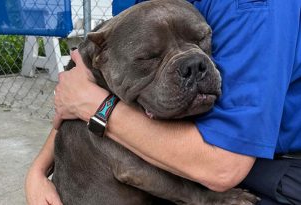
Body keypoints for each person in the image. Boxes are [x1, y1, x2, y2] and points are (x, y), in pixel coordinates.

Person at [25, 0, 301, 204]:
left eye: (200, 40)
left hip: (264, 169)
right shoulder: (128, 14)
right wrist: (38, 171)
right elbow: (78, 94)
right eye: (149, 58)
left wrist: (100, 108)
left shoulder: (255, 8)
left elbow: (223, 168)